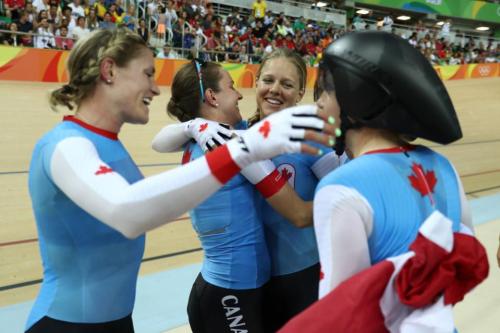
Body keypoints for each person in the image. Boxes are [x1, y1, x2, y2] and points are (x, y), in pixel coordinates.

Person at [25, 27, 335, 333]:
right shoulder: (67, 146)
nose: (156, 89)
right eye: (148, 74)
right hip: (65, 324)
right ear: (109, 71)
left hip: (118, 321)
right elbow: (127, 213)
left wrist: (197, 128)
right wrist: (237, 147)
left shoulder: (107, 143)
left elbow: (164, 147)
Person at [281, 31, 488, 331]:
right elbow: (465, 261)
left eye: (327, 90)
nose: (319, 103)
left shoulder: (339, 188)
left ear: (359, 98)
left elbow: (341, 318)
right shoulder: (444, 167)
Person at [151, 48, 346, 332]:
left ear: (301, 90)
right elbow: (161, 141)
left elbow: (344, 198)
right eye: (268, 80)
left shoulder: (312, 136)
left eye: (287, 84)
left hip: (303, 277)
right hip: (258, 284)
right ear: (256, 82)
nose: (275, 90)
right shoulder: (241, 132)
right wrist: (194, 126)